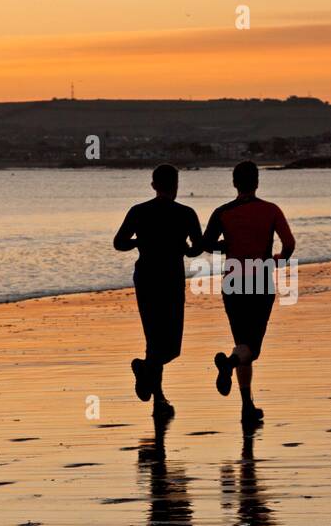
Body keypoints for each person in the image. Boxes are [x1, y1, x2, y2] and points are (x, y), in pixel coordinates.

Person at [202, 161, 295, 426]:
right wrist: (277, 260)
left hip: (232, 281)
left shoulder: (222, 212)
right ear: (256, 183)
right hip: (261, 280)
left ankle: (247, 406)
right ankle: (230, 365)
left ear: (234, 183)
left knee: (243, 341)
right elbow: (288, 244)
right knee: (250, 349)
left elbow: (205, 244)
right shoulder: (271, 210)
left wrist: (227, 245)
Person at [113, 164, 204, 418]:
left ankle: (151, 379)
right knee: (171, 345)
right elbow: (198, 248)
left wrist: (139, 241)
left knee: (154, 339)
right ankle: (156, 392)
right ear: (176, 186)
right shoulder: (186, 213)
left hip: (146, 278)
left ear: (153, 185)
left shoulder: (139, 211)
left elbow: (119, 243)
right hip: (170, 279)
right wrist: (186, 249)